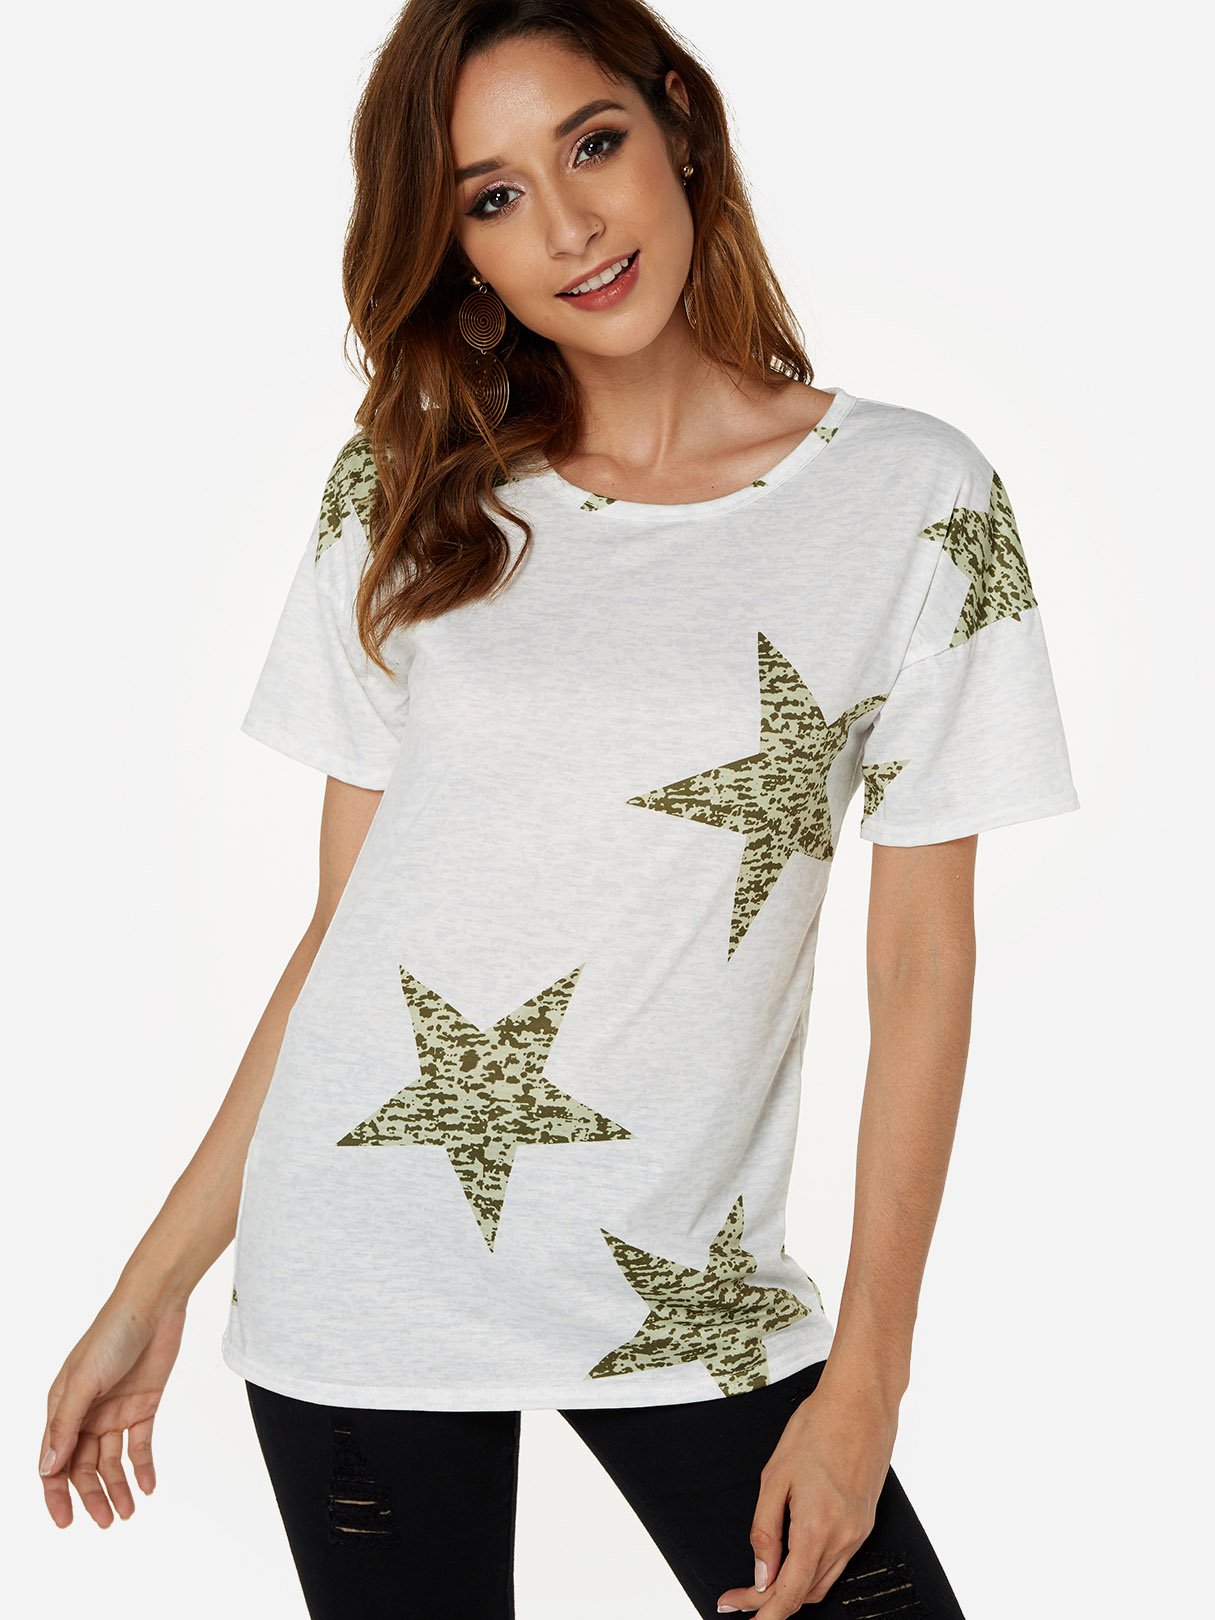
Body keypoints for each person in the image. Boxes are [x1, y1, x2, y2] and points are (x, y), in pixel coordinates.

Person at [38, 2, 1081, 1616]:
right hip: (358, 1281)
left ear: (679, 123)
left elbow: (921, 964)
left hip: (695, 1300)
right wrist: (151, 1282)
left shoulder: (912, 501)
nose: (572, 226)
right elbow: (346, 938)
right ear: (456, 248)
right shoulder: (406, 492)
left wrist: (867, 1383)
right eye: (494, 196)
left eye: (592, 144)